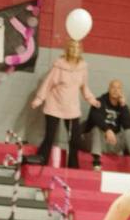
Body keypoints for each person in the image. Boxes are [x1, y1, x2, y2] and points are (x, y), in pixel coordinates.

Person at [31, 39, 100, 168]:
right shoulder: (59, 65)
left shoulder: (83, 67)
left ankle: (73, 166)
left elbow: (84, 87)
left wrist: (92, 99)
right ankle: (41, 162)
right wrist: (39, 99)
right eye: (72, 48)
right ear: (68, 49)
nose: (75, 50)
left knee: (75, 140)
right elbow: (48, 83)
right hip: (54, 105)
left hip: (71, 108)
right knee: (49, 137)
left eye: (77, 48)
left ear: (81, 50)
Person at [82, 79, 130, 172]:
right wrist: (107, 130)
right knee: (97, 128)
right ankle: (96, 162)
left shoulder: (122, 106)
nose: (115, 90)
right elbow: (95, 118)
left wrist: (123, 106)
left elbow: (129, 125)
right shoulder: (99, 101)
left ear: (121, 91)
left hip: (113, 143)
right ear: (108, 89)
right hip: (98, 141)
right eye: (113, 87)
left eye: (118, 88)